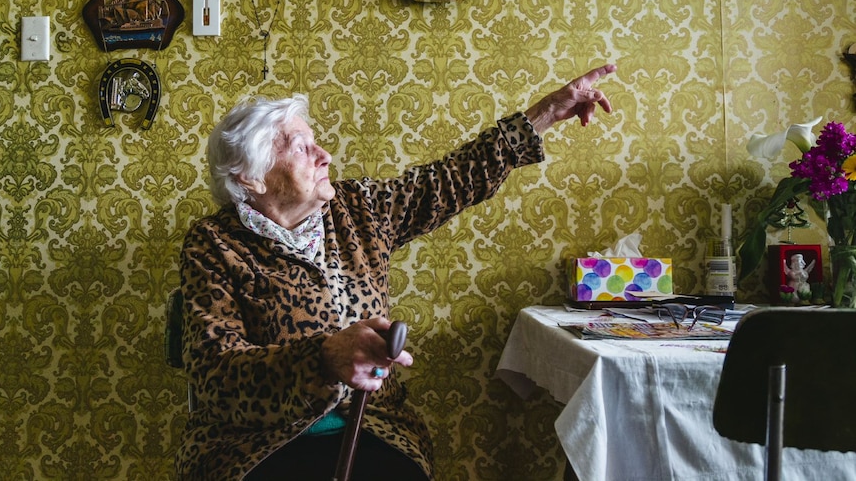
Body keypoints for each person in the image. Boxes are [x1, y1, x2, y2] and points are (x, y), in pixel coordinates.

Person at [176, 64, 617, 480]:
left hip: (374, 427)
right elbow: (216, 376)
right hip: (256, 446)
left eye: (315, 140)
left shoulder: (358, 210)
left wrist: (542, 116)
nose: (325, 154)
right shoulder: (214, 244)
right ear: (251, 179)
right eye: (300, 147)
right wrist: (324, 357)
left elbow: (448, 180)